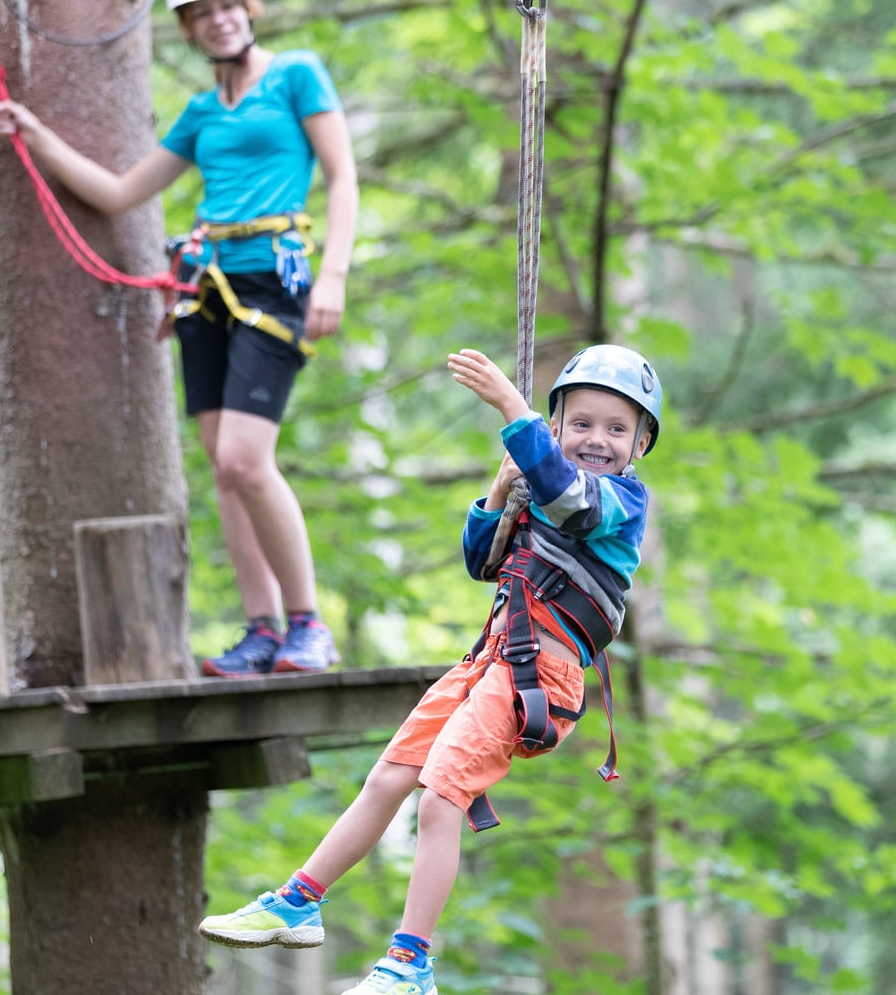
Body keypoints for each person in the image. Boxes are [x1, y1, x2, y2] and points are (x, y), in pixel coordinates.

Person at [197, 344, 663, 995]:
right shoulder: (546, 481)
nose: (597, 440)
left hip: (536, 679)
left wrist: (512, 408)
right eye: (580, 424)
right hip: (493, 661)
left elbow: (572, 502)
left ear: (640, 445)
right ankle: (298, 901)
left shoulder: (621, 503)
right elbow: (483, 561)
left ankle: (411, 964)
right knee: (390, 774)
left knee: (443, 798)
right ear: (559, 428)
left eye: (616, 430)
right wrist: (498, 492)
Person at [0, 0, 358, 678]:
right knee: (224, 470)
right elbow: (122, 191)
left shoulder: (296, 76)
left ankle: (308, 623)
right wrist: (34, 135)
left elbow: (343, 177)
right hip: (205, 288)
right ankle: (261, 631)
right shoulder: (199, 112)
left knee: (249, 461)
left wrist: (334, 277)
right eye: (200, 14)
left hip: (272, 284)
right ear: (187, 29)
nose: (218, 22)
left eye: (228, 7)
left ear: (250, 8)